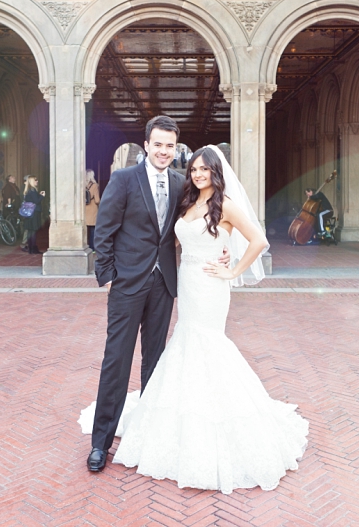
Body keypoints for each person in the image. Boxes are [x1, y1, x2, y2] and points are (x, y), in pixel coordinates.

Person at [79, 145, 308, 493]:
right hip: (183, 284)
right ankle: (153, 425)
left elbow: (258, 240)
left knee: (208, 345)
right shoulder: (186, 200)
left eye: (205, 169)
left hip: (211, 286)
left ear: (217, 171)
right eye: (195, 170)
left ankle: (217, 425)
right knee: (182, 345)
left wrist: (232, 270)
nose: (199, 175)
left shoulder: (226, 204)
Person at [81, 115, 230, 476]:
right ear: (146, 145)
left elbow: (201, 220)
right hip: (127, 285)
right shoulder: (123, 179)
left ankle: (148, 436)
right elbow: (104, 229)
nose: (164, 151)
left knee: (156, 363)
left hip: (165, 285)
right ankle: (101, 441)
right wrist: (109, 276)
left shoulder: (181, 183)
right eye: (158, 144)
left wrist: (222, 251)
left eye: (170, 145)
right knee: (116, 361)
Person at [21, 175, 46, 254]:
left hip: (29, 213)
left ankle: (31, 249)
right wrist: (42, 196)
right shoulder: (32, 190)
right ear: (32, 181)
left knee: (30, 231)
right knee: (33, 231)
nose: (37, 181)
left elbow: (32, 199)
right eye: (35, 180)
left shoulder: (28, 190)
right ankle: (33, 249)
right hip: (34, 213)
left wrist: (39, 194)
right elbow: (36, 201)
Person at [84, 170, 100, 251]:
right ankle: (92, 247)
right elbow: (97, 200)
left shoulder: (83, 185)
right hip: (93, 210)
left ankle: (85, 245)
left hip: (85, 209)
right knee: (93, 230)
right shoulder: (94, 186)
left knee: (86, 230)